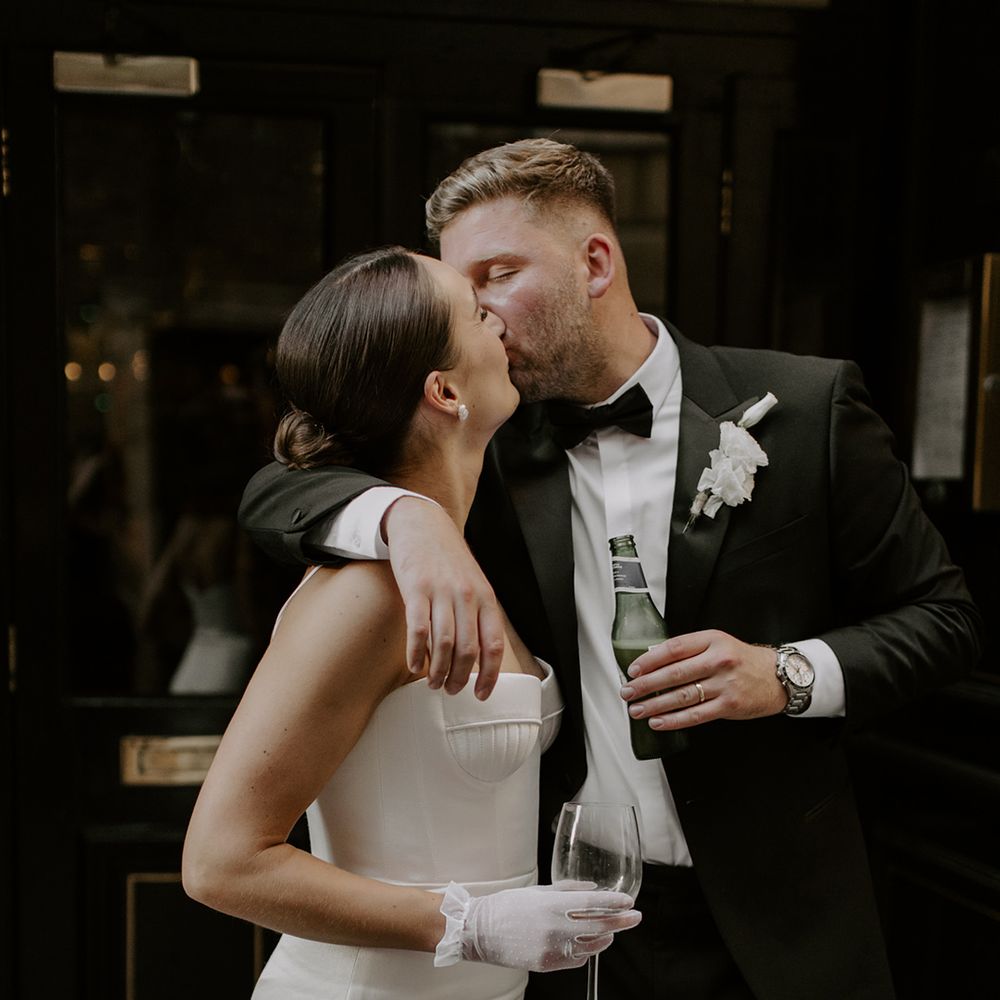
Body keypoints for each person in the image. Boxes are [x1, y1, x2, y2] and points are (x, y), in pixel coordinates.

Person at [237, 141, 983, 999]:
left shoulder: (806, 409)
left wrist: (785, 674)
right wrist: (405, 521)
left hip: (780, 919)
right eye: (463, 288)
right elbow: (279, 489)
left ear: (595, 262)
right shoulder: (481, 434)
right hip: (568, 930)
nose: (479, 312)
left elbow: (946, 618)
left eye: (498, 274)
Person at [182, 246, 641, 1000]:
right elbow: (220, 863)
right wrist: (472, 925)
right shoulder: (369, 594)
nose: (498, 320)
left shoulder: (474, 547)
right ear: (444, 390)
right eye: (475, 310)